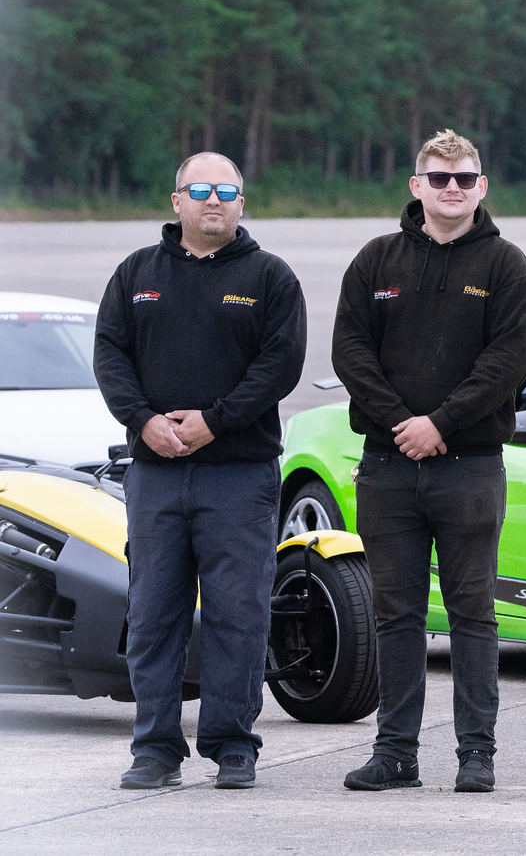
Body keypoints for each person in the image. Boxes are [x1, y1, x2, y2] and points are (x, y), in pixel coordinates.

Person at [94, 152, 307, 791]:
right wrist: (144, 421)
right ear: (176, 200)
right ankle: (155, 750)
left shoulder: (270, 277)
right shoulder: (136, 274)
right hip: (155, 474)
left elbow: (280, 365)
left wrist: (216, 420)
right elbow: (110, 352)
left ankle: (232, 743)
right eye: (201, 190)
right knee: (154, 611)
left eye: (227, 191)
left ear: (242, 202)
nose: (214, 201)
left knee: (237, 613)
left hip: (238, 476)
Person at [332, 130, 526, 794]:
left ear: (483, 187)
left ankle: (477, 754)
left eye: (465, 178)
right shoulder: (374, 261)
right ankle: (395, 753)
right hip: (388, 468)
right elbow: (350, 351)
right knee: (396, 614)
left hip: (470, 467)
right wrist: (402, 424)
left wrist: (440, 424)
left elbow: (508, 360)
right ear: (416, 185)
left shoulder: (506, 266)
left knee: (473, 611)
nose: (453, 189)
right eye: (439, 178)